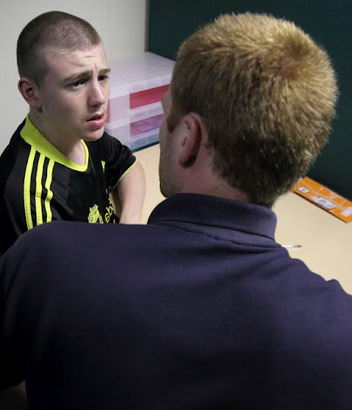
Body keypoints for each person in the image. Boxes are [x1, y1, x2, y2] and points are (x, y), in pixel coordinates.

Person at [1, 12, 351, 410]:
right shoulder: (340, 334)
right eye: (79, 82)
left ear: (188, 138)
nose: (100, 98)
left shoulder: (46, 256)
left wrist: (127, 235)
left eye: (166, 113)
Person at [0, 11, 145, 255]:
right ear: (31, 93)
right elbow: (69, 286)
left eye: (103, 77)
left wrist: (130, 223)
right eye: (78, 82)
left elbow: (129, 167)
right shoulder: (31, 195)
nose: (99, 98)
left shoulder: (81, 130)